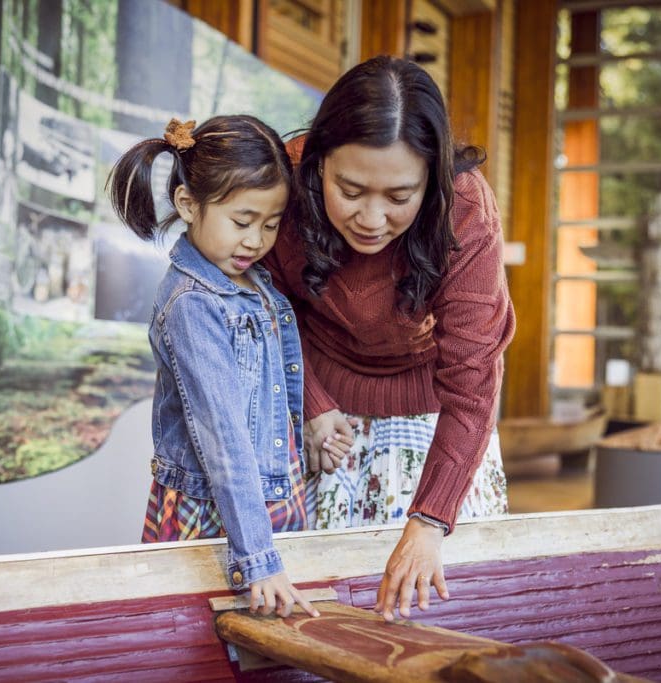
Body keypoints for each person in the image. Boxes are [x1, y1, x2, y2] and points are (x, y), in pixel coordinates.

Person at [262, 56, 516, 621]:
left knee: (443, 609)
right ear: (318, 162)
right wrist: (313, 403)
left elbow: (473, 380)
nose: (372, 218)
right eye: (350, 189)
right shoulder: (283, 185)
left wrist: (430, 519)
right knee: (319, 605)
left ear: (433, 178)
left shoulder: (466, 208)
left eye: (399, 197)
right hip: (319, 406)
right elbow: (268, 307)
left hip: (435, 411)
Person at [107, 115, 319, 619]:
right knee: (202, 647)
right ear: (187, 204)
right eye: (242, 222)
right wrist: (259, 557)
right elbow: (223, 438)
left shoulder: (254, 281)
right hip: (218, 515)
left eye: (270, 225)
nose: (256, 240)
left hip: (270, 496)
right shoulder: (193, 304)